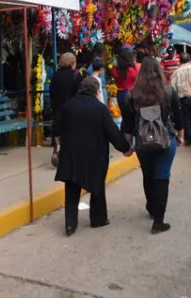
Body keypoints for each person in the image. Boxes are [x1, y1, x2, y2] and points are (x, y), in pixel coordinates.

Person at [54, 77, 132, 236]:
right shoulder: (100, 108)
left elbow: (56, 127)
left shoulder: (69, 105)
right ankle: (98, 219)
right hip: (95, 155)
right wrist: (125, 148)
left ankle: (70, 224)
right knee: (97, 187)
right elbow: (113, 133)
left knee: (71, 188)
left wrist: (60, 143)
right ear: (96, 91)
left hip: (72, 153)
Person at [126, 57, 180, 234]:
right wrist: (179, 134)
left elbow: (127, 123)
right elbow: (179, 118)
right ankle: (158, 221)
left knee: (148, 174)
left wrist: (127, 143)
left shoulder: (132, 94)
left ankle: (151, 206)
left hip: (142, 141)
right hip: (165, 138)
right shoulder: (168, 91)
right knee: (162, 176)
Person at [49, 52, 82, 166]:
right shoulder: (76, 75)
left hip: (58, 108)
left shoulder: (55, 75)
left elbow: (52, 92)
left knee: (60, 131)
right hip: (72, 108)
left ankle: (58, 148)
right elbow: (80, 93)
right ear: (73, 62)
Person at [111, 47, 138, 130]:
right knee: (132, 119)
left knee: (125, 118)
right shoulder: (131, 70)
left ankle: (124, 136)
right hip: (129, 94)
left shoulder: (115, 70)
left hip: (120, 94)